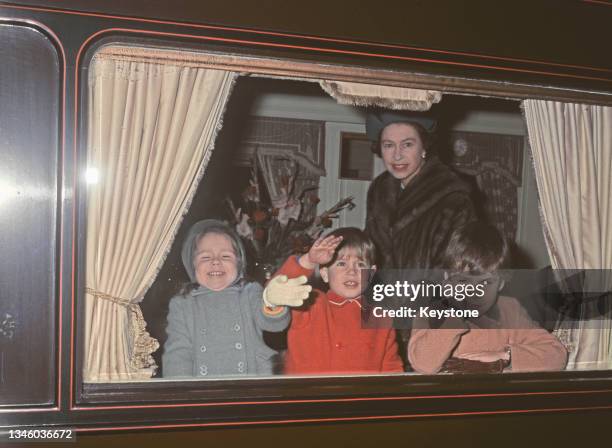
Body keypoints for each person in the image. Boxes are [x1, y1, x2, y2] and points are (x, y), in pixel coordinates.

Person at [407, 222, 568, 374]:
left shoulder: (509, 309)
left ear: (501, 284)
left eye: (486, 282)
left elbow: (557, 355)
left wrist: (506, 356)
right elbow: (422, 364)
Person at [162, 219, 309, 377]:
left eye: (225, 256)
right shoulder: (183, 304)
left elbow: (273, 324)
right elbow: (177, 354)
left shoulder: (250, 292)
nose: (216, 262)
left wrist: (271, 302)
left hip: (250, 389)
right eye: (205, 257)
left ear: (239, 264)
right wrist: (181, 392)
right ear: (192, 264)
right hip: (204, 391)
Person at [264, 227, 403, 374]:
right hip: (309, 395)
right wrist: (309, 260)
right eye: (342, 263)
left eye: (361, 264)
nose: (352, 271)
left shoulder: (381, 319)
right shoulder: (310, 302)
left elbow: (392, 371)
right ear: (324, 274)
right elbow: (277, 290)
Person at [365, 112, 476, 269]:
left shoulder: (454, 198)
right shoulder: (378, 191)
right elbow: (369, 252)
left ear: (424, 147)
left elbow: (455, 270)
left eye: (407, 144)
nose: (397, 155)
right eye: (388, 145)